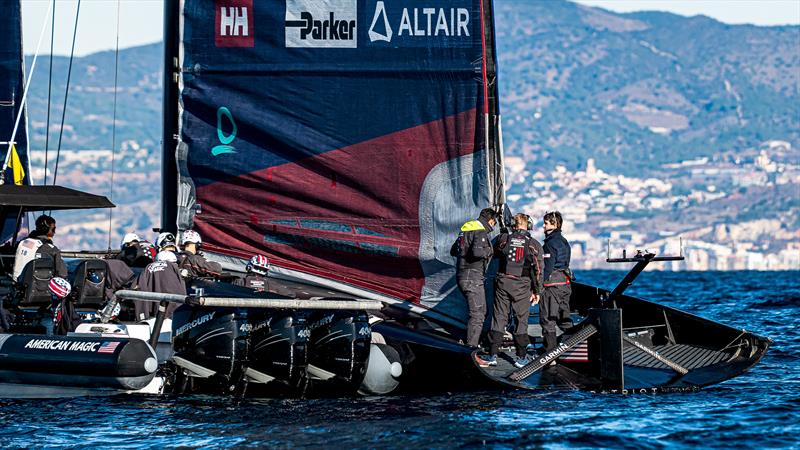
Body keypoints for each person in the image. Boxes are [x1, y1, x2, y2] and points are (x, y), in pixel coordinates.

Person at [478, 213, 544, 368]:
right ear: (527, 226)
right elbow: (538, 270)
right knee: (522, 320)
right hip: (522, 286)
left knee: (499, 318)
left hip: (503, 282)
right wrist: (537, 291)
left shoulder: (503, 239)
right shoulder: (533, 244)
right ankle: (521, 358)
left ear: (513, 225)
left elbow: (491, 253)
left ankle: (492, 355)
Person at [450, 208, 497, 349]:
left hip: (462, 275)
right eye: (494, 223)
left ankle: (472, 341)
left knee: (480, 311)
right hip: (473, 277)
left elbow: (453, 250)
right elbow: (477, 252)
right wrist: (490, 250)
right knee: (478, 314)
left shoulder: (465, 230)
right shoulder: (480, 231)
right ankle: (471, 348)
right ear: (490, 220)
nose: (493, 227)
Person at [540, 211, 573, 354]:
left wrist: (538, 286)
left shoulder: (549, 244)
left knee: (548, 319)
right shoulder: (564, 242)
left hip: (552, 285)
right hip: (565, 283)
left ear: (554, 224)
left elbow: (547, 268)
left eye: (546, 223)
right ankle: (572, 347)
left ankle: (549, 352)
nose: (543, 226)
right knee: (564, 318)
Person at [133, 250, 186, 320]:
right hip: (174, 316)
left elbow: (136, 287)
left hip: (150, 317)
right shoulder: (174, 268)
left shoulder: (148, 268)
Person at [12, 214, 67, 280]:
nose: (54, 232)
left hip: (16, 284)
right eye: (53, 229)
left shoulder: (22, 242)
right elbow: (62, 274)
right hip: (36, 288)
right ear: (46, 229)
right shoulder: (50, 249)